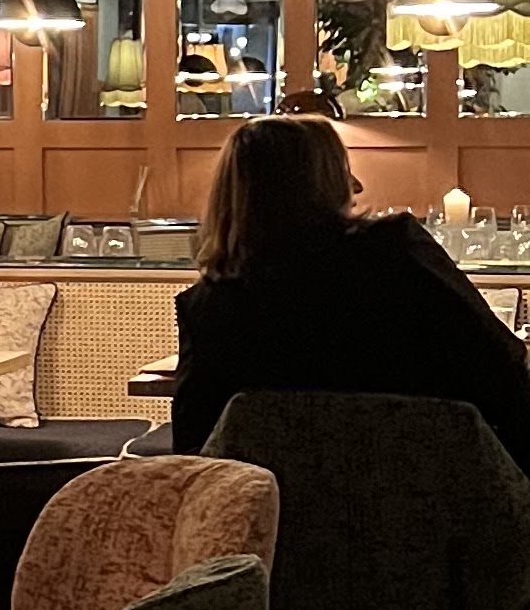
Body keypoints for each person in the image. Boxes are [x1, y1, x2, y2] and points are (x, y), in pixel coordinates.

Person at [169, 116, 530, 472]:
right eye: (342, 171)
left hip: (280, 507)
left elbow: (193, 448)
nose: (356, 187)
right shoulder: (398, 254)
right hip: (443, 497)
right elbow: (503, 369)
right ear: (320, 185)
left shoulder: (206, 308)